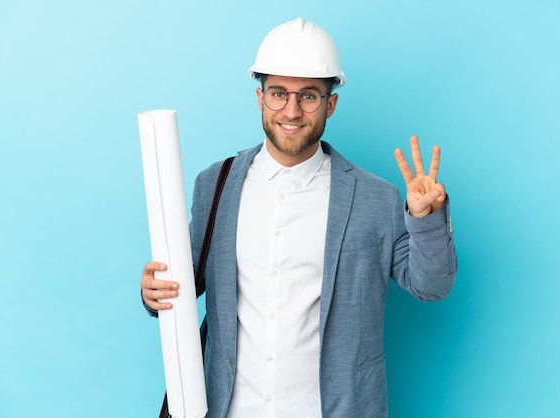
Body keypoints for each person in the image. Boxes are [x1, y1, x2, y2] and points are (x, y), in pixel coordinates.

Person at [141, 17, 456, 418]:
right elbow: (185, 280)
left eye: (308, 96)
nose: (291, 110)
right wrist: (154, 291)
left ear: (330, 103)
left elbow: (432, 286)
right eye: (278, 93)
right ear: (260, 98)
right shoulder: (215, 185)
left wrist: (425, 218)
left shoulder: (376, 198)